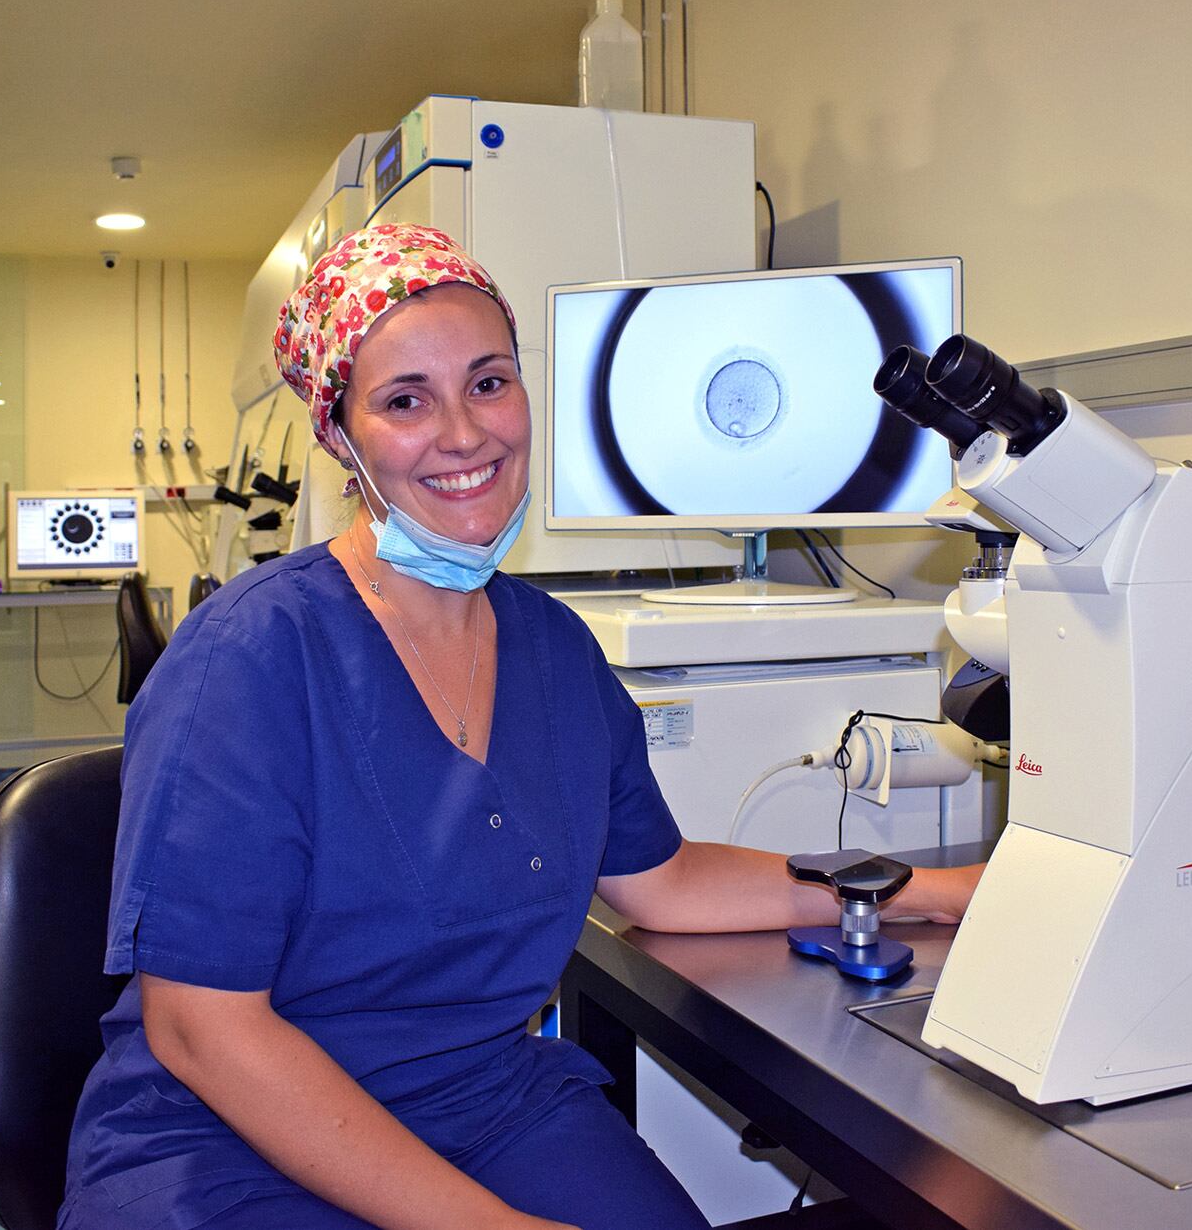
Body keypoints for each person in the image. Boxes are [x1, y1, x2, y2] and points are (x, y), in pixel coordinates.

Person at [57, 223, 983, 1230]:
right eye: (405, 401)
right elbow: (202, 1028)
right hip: (230, 1137)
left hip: (486, 1104)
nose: (464, 435)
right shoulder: (248, 659)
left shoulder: (554, 651)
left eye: (489, 383)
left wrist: (929, 892)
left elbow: (665, 883)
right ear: (339, 437)